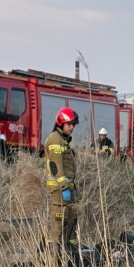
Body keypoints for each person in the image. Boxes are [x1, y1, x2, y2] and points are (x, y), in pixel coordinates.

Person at [44, 107, 80, 255]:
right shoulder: (55, 139)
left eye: (73, 125)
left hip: (67, 188)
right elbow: (56, 166)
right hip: (59, 189)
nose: (72, 127)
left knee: (72, 219)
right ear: (61, 123)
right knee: (59, 221)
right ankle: (52, 253)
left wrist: (72, 187)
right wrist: (65, 187)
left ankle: (69, 250)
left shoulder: (63, 140)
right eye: (69, 124)